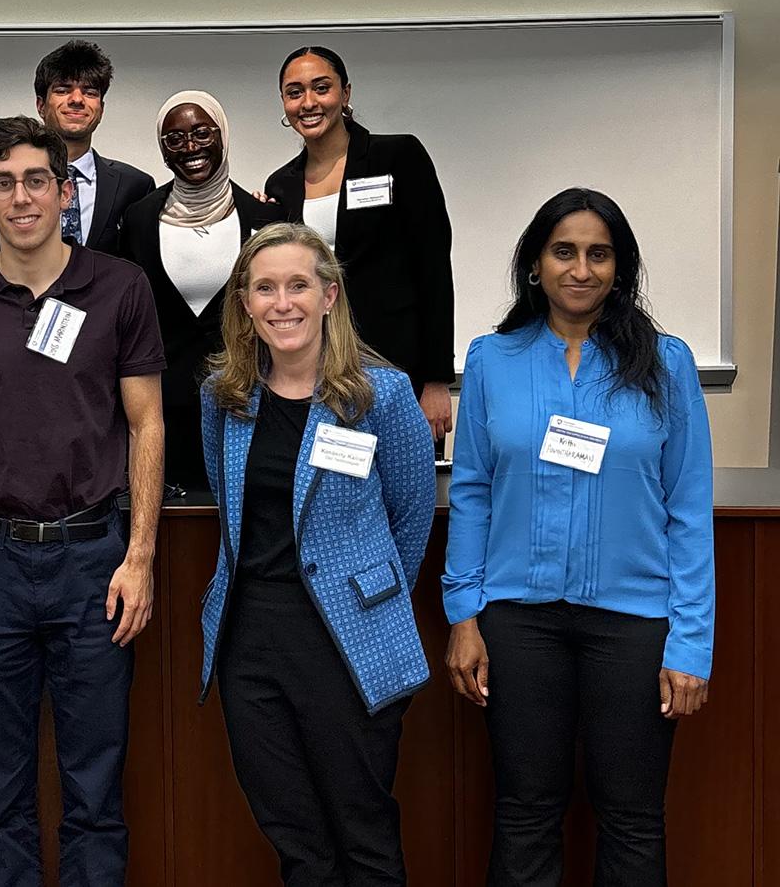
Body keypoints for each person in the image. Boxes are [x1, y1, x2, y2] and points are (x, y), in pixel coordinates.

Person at [0, 115, 165, 886]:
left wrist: (141, 557)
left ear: (64, 191)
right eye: (2, 183)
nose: (20, 197)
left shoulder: (119, 286)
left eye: (35, 180)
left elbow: (146, 422)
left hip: (94, 561)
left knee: (95, 790)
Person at [443, 187, 714, 884]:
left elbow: (688, 508)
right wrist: (464, 616)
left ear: (620, 269)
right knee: (526, 813)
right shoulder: (492, 360)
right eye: (564, 252)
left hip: (633, 623)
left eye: (599, 254)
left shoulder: (666, 364)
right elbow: (471, 492)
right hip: (517, 621)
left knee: (631, 819)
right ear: (536, 263)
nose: (581, 269)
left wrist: (691, 643)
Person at [199, 222, 436, 885]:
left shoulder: (380, 395)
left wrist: (367, 595)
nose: (283, 302)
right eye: (264, 287)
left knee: (362, 831)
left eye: (298, 285)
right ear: (244, 302)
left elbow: (411, 519)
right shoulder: (225, 395)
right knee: (295, 838)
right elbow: (232, 507)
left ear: (329, 295)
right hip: (251, 644)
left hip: (348, 638)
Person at [263, 46, 455, 441]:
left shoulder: (397, 156)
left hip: (397, 365)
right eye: (295, 92)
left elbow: (433, 267)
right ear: (284, 102)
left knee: (402, 492)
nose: (309, 102)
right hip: (317, 373)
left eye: (321, 88)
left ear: (345, 94)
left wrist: (436, 381)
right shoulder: (280, 185)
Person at [119, 90, 285, 491]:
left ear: (222, 136)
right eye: (174, 139)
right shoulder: (139, 219)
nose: (190, 147)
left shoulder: (266, 217)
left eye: (201, 133)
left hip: (247, 404)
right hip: (160, 411)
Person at [0, 40, 154, 256]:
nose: (77, 100)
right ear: (41, 105)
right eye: (63, 90)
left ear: (101, 109)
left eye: (90, 92)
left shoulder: (135, 186)